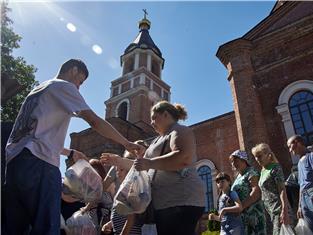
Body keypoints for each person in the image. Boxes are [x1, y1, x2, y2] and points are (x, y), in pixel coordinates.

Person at [4, 59, 142, 235]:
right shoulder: (63, 86)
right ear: (74, 70)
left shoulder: (37, 90)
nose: (78, 88)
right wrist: (126, 143)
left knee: (16, 228)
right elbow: (93, 120)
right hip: (40, 164)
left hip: (15, 164)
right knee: (46, 227)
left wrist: (69, 152)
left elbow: (32, 134)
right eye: (80, 81)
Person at [106, 101, 205, 235]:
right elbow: (143, 168)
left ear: (165, 114)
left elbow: (184, 157)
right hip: (165, 205)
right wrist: (119, 161)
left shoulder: (179, 130)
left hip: (181, 201)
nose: (151, 122)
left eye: (154, 117)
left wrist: (149, 162)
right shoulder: (157, 140)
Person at [251, 143, 292, 235]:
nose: (257, 159)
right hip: (270, 212)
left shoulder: (275, 168)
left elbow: (282, 189)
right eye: (255, 157)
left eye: (259, 156)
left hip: (279, 210)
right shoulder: (262, 171)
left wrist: (284, 211)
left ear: (267, 154)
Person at [287, 135, 313, 235]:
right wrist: (299, 206)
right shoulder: (299, 163)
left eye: (290, 146)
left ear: (297, 142)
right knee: (311, 229)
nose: (290, 150)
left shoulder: (312, 156)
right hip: (303, 199)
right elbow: (301, 185)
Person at [229, 150, 266, 235]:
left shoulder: (251, 172)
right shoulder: (238, 177)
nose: (233, 163)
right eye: (232, 162)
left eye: (236, 161)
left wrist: (241, 206)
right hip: (242, 217)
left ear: (243, 160)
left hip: (254, 215)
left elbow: (256, 192)